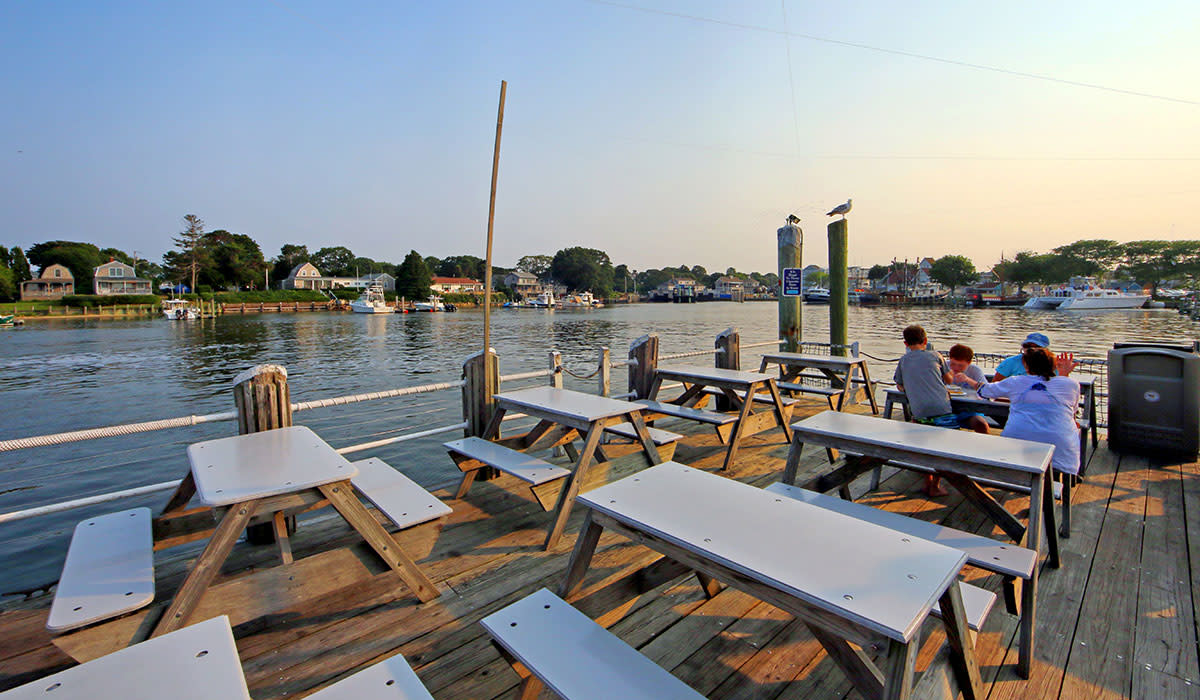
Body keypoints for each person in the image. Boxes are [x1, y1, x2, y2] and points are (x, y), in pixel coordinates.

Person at [894, 325, 973, 496]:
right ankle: (937, 486)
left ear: (906, 343)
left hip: (919, 411)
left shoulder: (903, 360)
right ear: (926, 341)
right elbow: (948, 380)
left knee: (924, 446)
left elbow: (900, 385)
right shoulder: (936, 355)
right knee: (945, 447)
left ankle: (927, 483)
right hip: (941, 407)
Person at [979, 347, 1081, 477]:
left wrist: (968, 380)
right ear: (1053, 365)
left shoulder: (1016, 381)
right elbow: (1070, 410)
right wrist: (1063, 374)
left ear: (1026, 366)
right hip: (1061, 450)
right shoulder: (1071, 384)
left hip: (1015, 444)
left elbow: (984, 391)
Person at [944, 344, 990, 434]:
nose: (956, 368)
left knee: (981, 425)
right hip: (946, 408)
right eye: (953, 364)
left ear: (969, 363)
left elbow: (987, 390)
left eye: (961, 366)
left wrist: (968, 380)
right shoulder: (944, 366)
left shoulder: (974, 370)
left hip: (969, 409)